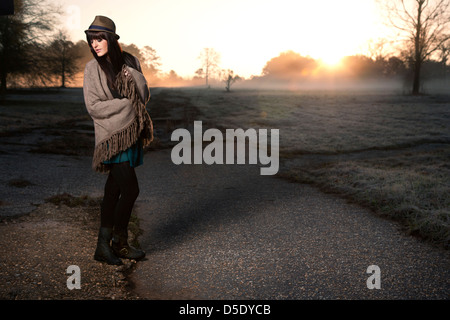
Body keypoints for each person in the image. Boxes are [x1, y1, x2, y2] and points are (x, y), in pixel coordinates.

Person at [83, 16, 153, 265]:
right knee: (131, 189)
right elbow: (93, 106)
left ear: (111, 39)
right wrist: (126, 106)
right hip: (112, 135)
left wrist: (132, 85)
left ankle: (104, 247)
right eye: (91, 39)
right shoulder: (92, 69)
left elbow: (142, 93)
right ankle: (119, 244)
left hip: (131, 132)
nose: (95, 44)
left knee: (113, 190)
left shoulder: (129, 61)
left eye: (100, 38)